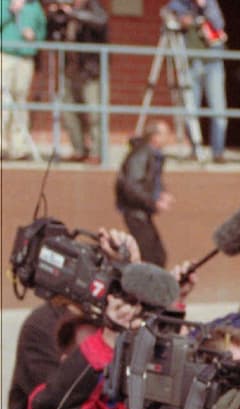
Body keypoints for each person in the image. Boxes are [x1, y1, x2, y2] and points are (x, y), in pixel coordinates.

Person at [164, 0, 229, 162]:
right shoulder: (178, 4)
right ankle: (195, 148)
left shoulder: (211, 4)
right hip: (190, 62)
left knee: (218, 108)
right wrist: (181, 20)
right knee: (191, 107)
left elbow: (219, 24)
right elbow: (166, 21)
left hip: (212, 62)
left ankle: (218, 152)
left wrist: (204, 7)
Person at [48, 0, 108, 162]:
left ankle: (97, 152)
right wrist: (54, 15)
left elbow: (101, 21)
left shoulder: (93, 7)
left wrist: (72, 14)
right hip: (71, 70)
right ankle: (79, 148)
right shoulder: (68, 11)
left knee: (94, 112)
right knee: (68, 110)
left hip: (90, 71)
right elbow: (51, 35)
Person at [115, 119, 174, 266]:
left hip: (141, 212)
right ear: (155, 136)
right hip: (135, 212)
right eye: (165, 134)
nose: (169, 138)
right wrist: (153, 202)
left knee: (156, 255)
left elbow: (150, 181)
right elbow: (132, 185)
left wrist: (161, 194)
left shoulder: (152, 154)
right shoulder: (142, 154)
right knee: (151, 256)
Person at [0, 0, 44, 161]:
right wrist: (10, 11)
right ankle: (1, 145)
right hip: (6, 55)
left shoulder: (35, 6)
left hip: (25, 58)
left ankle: (18, 148)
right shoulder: (4, 3)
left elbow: (41, 30)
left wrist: (35, 36)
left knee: (20, 100)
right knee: (3, 99)